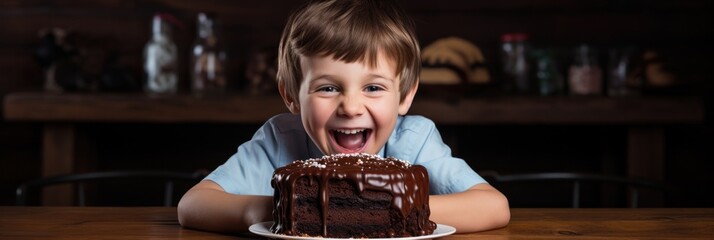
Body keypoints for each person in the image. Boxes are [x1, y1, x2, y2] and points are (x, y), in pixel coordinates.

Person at [178, 0, 510, 234]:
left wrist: (387, 212)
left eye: (374, 88)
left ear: (405, 95)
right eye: (327, 88)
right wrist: (276, 210)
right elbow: (192, 205)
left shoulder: (414, 140)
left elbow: (494, 206)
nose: (350, 107)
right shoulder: (280, 139)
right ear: (291, 95)